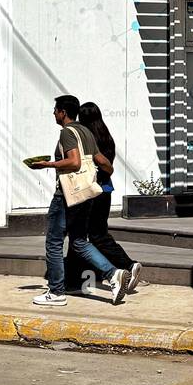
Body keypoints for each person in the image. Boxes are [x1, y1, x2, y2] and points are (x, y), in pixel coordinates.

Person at [28, 95, 128, 308]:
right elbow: (103, 161)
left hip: (66, 194)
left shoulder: (67, 132)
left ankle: (56, 292)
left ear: (63, 112)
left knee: (54, 242)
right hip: (86, 195)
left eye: (56, 110)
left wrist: (47, 164)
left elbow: (73, 162)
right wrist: (104, 173)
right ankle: (113, 274)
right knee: (79, 241)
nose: (54, 114)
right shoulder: (87, 131)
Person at [65, 102, 142, 295]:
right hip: (106, 190)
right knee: (98, 233)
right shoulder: (107, 137)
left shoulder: (86, 139)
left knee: (81, 235)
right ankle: (126, 266)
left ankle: (77, 280)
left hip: (90, 192)